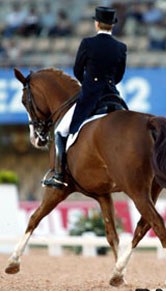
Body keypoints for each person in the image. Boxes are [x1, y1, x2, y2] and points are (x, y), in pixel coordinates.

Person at [43, 6, 127, 189]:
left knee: (61, 131)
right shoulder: (121, 47)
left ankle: (58, 175)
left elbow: (77, 70)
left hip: (90, 97)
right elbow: (119, 75)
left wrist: (88, 84)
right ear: (111, 26)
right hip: (113, 96)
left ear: (96, 24)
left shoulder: (88, 43)